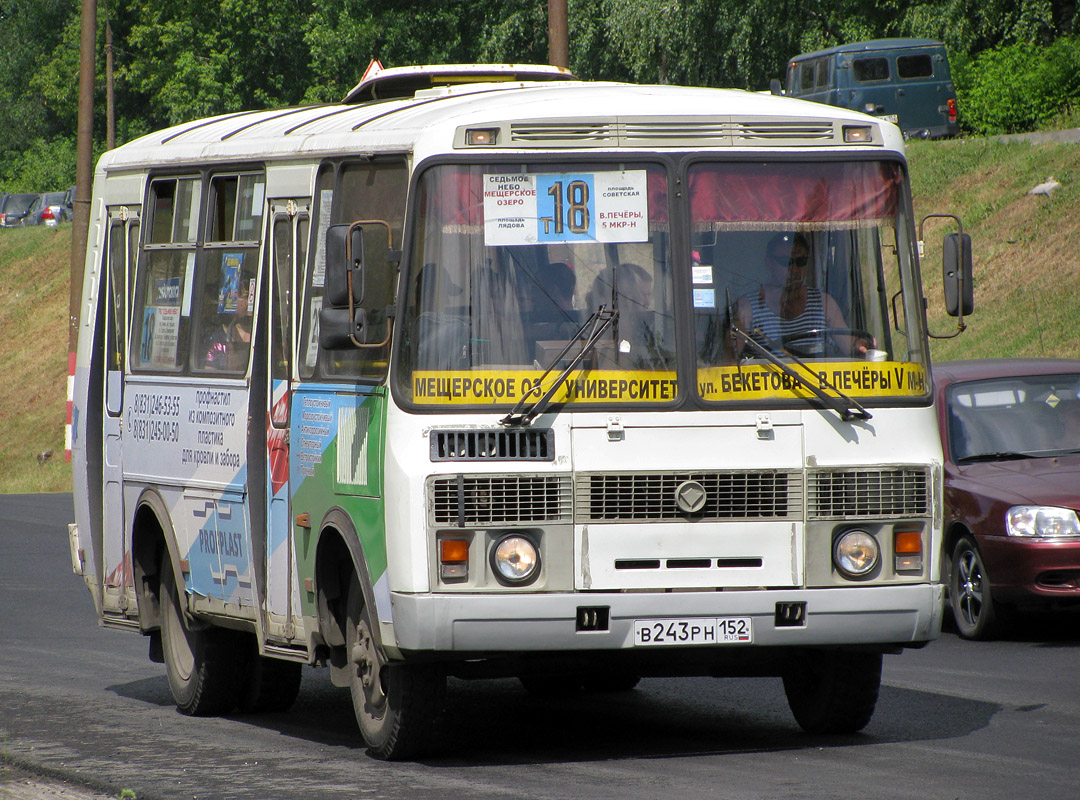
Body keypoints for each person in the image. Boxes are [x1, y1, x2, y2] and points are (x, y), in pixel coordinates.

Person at [734, 232, 872, 359]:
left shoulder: (823, 303)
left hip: (817, 384)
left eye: (800, 262)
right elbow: (729, 360)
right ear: (768, 263)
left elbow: (848, 345)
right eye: (786, 262)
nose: (794, 269)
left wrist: (860, 345)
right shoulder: (748, 307)